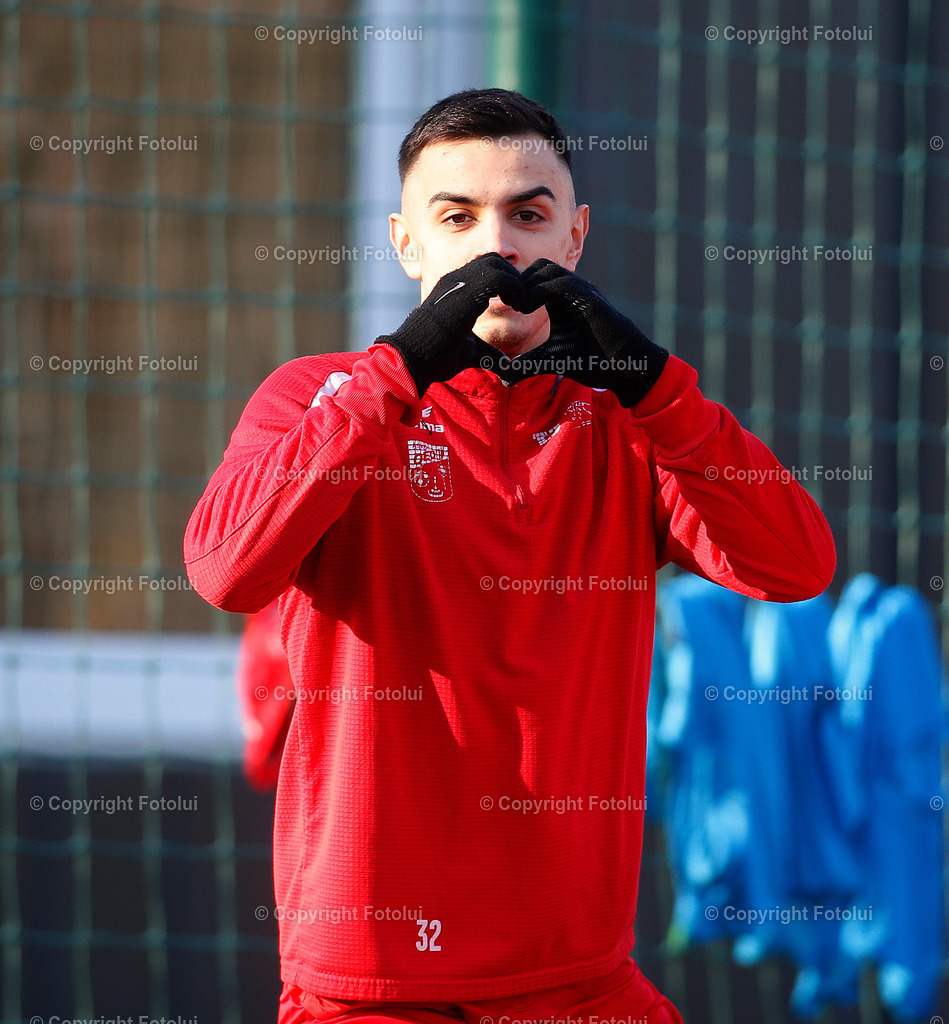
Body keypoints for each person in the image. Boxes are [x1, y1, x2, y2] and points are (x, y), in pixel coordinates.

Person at [184, 88, 835, 1024]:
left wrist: (656, 389)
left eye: (528, 215)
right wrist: (402, 367)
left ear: (572, 242)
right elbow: (223, 568)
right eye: (458, 217)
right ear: (407, 244)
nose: (499, 248)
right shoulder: (314, 397)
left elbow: (795, 563)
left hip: (577, 976)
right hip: (370, 982)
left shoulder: (628, 422)